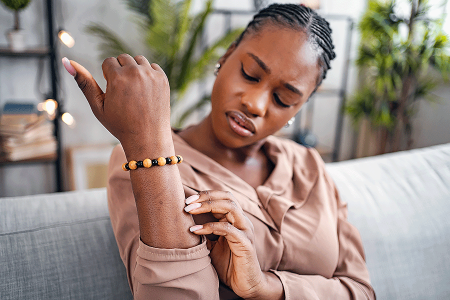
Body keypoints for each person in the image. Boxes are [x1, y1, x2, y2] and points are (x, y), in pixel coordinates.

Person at [63, 3, 375, 299]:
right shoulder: (144, 159)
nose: (254, 103)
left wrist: (265, 287)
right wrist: (148, 142)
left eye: (283, 99)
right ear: (225, 58)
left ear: (300, 106)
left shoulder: (308, 165)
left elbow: (361, 291)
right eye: (250, 74)